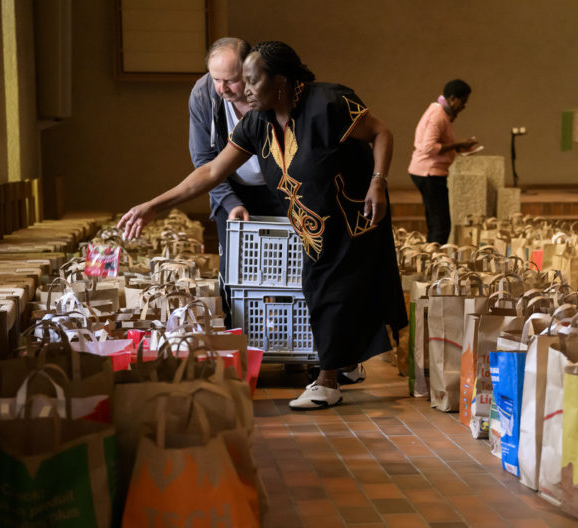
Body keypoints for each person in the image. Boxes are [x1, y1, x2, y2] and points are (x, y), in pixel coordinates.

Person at [120, 41, 408, 410]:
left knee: (328, 291)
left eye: (252, 82)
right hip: (313, 224)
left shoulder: (331, 103)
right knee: (326, 290)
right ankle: (344, 364)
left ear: (281, 82)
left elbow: (382, 132)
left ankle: (328, 380)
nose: (246, 91)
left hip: (356, 216)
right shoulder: (257, 122)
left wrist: (379, 182)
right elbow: (210, 171)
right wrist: (153, 206)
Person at [189, 37, 287, 327]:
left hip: (280, 186)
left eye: (230, 80)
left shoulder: (270, 89)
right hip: (231, 187)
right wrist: (231, 203)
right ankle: (242, 346)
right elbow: (205, 161)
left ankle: (291, 343)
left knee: (286, 269)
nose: (222, 88)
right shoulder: (204, 94)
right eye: (215, 78)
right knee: (235, 273)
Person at [407, 80, 477, 245]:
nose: (464, 106)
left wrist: (459, 149)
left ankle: (431, 259)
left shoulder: (440, 112)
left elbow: (438, 144)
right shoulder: (438, 115)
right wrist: (458, 144)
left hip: (426, 172)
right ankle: (436, 264)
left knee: (435, 223)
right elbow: (428, 147)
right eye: (463, 101)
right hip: (429, 173)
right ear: (453, 98)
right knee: (441, 225)